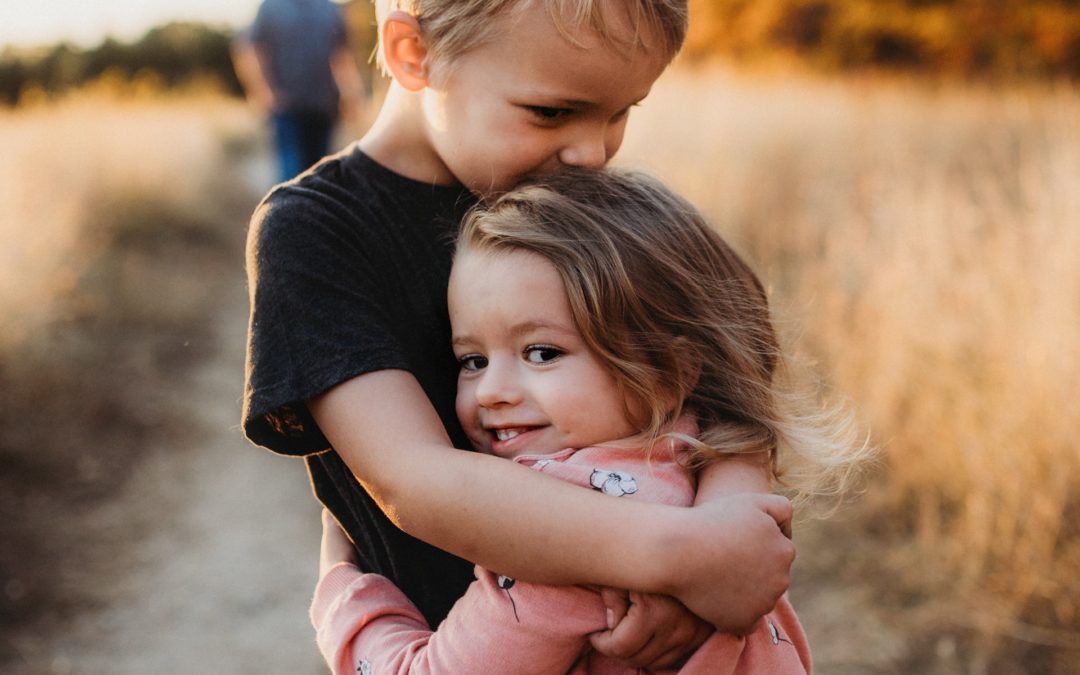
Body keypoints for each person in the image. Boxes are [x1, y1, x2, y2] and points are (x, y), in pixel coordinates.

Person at [243, 1, 796, 667]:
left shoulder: (574, 199)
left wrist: (716, 541)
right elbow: (416, 480)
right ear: (414, 53)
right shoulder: (318, 233)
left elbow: (732, 374)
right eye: (552, 112)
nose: (592, 153)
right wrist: (682, 556)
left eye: (621, 112)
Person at [311, 168, 869, 674]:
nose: (494, 392)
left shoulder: (561, 535)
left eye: (542, 353)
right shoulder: (702, 461)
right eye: (473, 361)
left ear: (670, 369)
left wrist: (343, 590)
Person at [232, 0, 365, 181]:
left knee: (320, 176)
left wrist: (351, 96)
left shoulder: (329, 9)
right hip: (287, 109)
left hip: (324, 107)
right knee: (292, 176)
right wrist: (263, 93)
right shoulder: (271, 7)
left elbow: (342, 56)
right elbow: (249, 49)